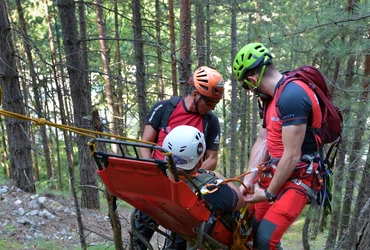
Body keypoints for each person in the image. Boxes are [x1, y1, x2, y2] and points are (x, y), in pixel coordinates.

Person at [232, 42, 323, 249]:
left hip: (300, 178)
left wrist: (268, 193)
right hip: (274, 174)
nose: (250, 91)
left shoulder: (292, 96)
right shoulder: (270, 98)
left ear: (252, 79)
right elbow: (263, 139)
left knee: (266, 240)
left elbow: (292, 155)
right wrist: (248, 180)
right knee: (252, 229)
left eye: (247, 86)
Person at [133, 66, 224, 250]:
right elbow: (145, 144)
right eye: (209, 102)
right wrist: (152, 170)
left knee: (179, 243)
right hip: (157, 186)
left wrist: (193, 176)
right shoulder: (164, 108)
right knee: (139, 238)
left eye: (216, 103)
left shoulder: (210, 122)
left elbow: (212, 158)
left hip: (187, 189)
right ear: (195, 94)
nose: (212, 108)